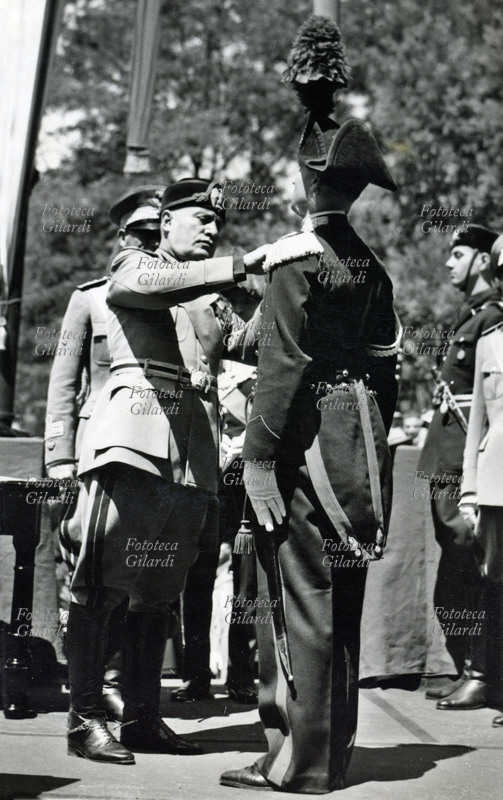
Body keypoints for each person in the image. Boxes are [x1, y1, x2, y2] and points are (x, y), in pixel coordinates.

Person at [220, 16, 399, 793]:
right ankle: (323, 753)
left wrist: (259, 453)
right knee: (337, 601)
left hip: (298, 446)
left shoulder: (297, 258)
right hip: (354, 444)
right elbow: (384, 371)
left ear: (307, 178)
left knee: (300, 601)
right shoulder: (369, 264)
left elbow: (283, 363)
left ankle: (300, 764)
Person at [66, 177, 268, 764]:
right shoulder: (133, 264)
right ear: (166, 221)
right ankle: (83, 721)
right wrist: (238, 264)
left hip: (191, 459)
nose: (211, 229)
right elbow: (145, 284)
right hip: (134, 444)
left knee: (157, 594)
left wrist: (292, 283)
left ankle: (142, 718)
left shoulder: (209, 296)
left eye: (217, 223)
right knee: (99, 582)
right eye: (199, 218)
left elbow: (246, 344)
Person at [45, 185, 165, 720]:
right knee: (94, 572)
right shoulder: (89, 298)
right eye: (143, 232)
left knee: (144, 581)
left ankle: (126, 689)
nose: (153, 241)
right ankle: (89, 690)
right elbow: (63, 383)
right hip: (98, 453)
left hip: (153, 457)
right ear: (122, 237)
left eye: (159, 231)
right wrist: (59, 458)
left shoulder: (170, 300)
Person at [418, 223, 503, 708]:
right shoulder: (472, 316)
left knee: (477, 564)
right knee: (463, 566)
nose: (449, 262)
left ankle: (481, 670)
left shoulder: (491, 317)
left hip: (466, 458)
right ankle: (471, 667)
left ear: (483, 260)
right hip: (449, 454)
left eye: (459, 253)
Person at [459, 232, 503, 728]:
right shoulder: (491, 339)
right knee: (496, 585)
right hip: (495, 483)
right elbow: (478, 427)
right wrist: (469, 489)